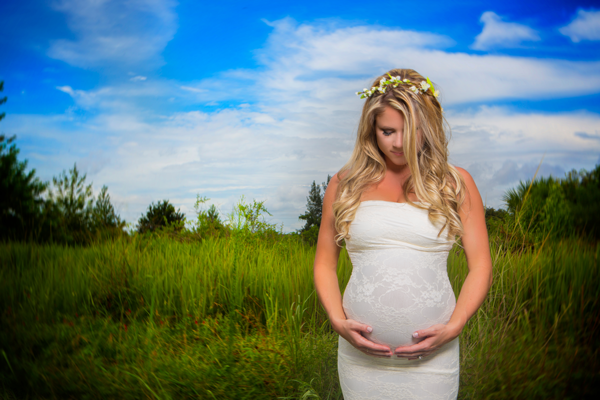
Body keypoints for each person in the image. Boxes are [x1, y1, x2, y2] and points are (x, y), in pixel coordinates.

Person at [313, 68, 493, 400]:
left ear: (431, 128)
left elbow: (481, 265)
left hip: (433, 358)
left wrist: (456, 325)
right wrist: (338, 320)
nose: (399, 143)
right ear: (371, 129)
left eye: (412, 130)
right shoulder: (344, 184)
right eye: (387, 131)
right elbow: (324, 264)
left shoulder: (456, 183)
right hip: (361, 359)